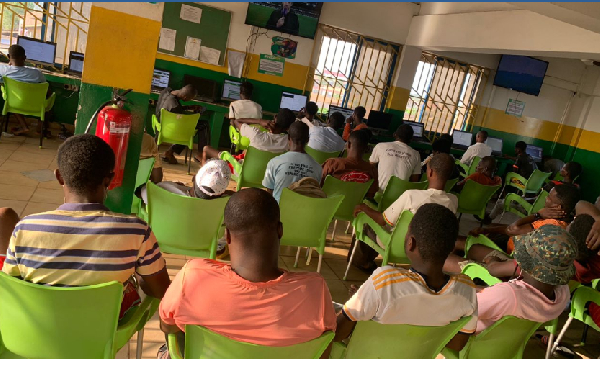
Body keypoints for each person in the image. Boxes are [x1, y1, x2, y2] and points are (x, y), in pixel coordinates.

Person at [2, 135, 171, 318]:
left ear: (59, 177)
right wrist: (139, 272)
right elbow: (160, 290)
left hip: (35, 336)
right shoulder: (137, 232)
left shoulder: (26, 228)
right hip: (101, 339)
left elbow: (11, 287)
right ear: (109, 180)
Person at [158, 188, 336, 357]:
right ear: (280, 230)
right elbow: (322, 351)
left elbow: (167, 326)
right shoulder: (315, 290)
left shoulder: (193, 278)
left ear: (227, 236)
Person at [335, 203, 478, 352]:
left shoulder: (385, 281)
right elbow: (456, 344)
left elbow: (337, 332)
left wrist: (361, 302)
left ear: (411, 243)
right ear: (451, 248)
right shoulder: (467, 290)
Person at [351, 153, 457, 272]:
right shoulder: (453, 202)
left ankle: (362, 262)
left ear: (430, 172)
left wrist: (364, 208)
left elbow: (382, 220)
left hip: (399, 246)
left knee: (366, 222)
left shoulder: (411, 196)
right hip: (429, 252)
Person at [444, 184, 580, 274]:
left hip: (510, 259)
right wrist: (487, 230)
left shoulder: (551, 223)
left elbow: (513, 228)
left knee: (459, 242)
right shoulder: (564, 223)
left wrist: (538, 214)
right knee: (489, 230)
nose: (546, 200)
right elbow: (515, 229)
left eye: (549, 198)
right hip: (513, 249)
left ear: (559, 208)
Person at [475, 225, 575, 333]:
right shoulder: (563, 293)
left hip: (468, 340)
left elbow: (461, 308)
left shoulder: (509, 295)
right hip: (504, 345)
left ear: (524, 261)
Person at [202, 108, 296, 169]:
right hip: (269, 176)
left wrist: (259, 121)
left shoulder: (255, 133)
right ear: (288, 128)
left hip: (244, 170)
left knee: (206, 149)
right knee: (244, 153)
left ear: (274, 118)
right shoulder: (289, 142)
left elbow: (236, 121)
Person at [262, 121, 322, 202]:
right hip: (304, 213)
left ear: (288, 138)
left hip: (279, 212)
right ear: (308, 140)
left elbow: (269, 193)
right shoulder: (318, 168)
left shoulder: (274, 162)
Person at [0, 44, 47, 136]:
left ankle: (24, 126)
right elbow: (45, 85)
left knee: (11, 97)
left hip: (14, 103)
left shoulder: (3, 70)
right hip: (36, 104)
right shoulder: (37, 73)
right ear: (24, 57)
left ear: (9, 56)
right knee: (49, 95)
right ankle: (40, 128)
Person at [157, 84, 205, 164]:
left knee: (188, 129)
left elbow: (171, 108)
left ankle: (170, 152)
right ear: (185, 98)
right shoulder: (176, 107)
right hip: (171, 130)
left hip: (160, 125)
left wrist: (188, 107)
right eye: (190, 99)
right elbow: (179, 119)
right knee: (200, 126)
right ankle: (201, 154)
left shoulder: (166, 91)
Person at [321, 130, 378, 198]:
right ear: (366, 149)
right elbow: (370, 196)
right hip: (352, 207)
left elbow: (318, 186)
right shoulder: (372, 170)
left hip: (328, 205)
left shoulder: (332, 164)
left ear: (348, 144)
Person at [369, 124, 421, 192]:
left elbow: (369, 168)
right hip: (399, 197)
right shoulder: (416, 154)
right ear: (411, 139)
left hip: (377, 194)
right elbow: (414, 182)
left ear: (394, 134)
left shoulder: (380, 146)